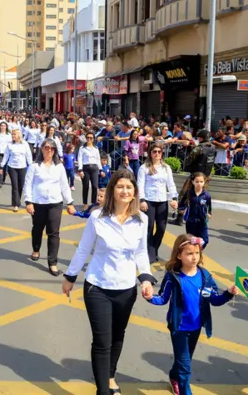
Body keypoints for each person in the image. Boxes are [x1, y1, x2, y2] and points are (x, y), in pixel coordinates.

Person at [62, 169, 156, 395]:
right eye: (120, 186)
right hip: (98, 287)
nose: (125, 191)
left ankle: (110, 375)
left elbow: (142, 252)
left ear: (135, 192)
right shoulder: (97, 217)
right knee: (102, 341)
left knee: (117, 336)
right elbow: (84, 249)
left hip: (126, 289)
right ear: (112, 190)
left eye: (129, 187)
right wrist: (70, 276)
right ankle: (103, 390)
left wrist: (145, 278)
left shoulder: (141, 220)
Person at [145, 234, 238, 395]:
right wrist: (149, 297)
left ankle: (174, 377)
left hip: (196, 327)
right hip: (178, 327)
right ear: (179, 255)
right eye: (189, 253)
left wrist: (228, 293)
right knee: (186, 367)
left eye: (197, 253)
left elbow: (214, 299)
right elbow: (162, 298)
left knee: (183, 361)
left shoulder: (205, 276)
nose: (194, 257)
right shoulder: (173, 276)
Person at [23, 138, 77, 276]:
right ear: (41, 149)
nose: (49, 150)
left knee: (54, 233)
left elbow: (64, 186)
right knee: (37, 228)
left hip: (55, 203)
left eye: (52, 148)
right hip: (38, 203)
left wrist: (70, 202)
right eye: (46, 147)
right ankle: (36, 249)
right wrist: (28, 202)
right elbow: (28, 184)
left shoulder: (59, 167)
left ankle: (52, 262)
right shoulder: (35, 166)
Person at [137, 143, 179, 264]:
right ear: (150, 153)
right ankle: (150, 253)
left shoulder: (166, 168)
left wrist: (174, 198)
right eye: (154, 151)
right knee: (149, 228)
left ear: (162, 154)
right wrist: (142, 200)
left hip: (162, 201)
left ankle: (154, 249)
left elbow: (171, 184)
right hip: (148, 201)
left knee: (161, 228)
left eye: (159, 152)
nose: (157, 154)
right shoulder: (144, 168)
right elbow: (140, 185)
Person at [0, 129, 34, 212]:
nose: (13, 136)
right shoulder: (10, 145)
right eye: (12, 135)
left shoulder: (25, 144)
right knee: (15, 186)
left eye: (14, 134)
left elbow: (28, 156)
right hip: (12, 167)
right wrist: (1, 166)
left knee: (21, 185)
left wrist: (32, 166)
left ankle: (17, 201)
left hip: (22, 167)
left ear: (19, 135)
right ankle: (16, 204)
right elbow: (6, 156)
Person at [183, 172, 212, 248]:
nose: (199, 184)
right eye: (197, 181)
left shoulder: (207, 196)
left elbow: (209, 208)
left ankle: (198, 252)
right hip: (190, 221)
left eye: (201, 182)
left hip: (202, 222)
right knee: (192, 241)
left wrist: (209, 214)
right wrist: (181, 210)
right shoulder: (189, 193)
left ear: (204, 182)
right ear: (193, 182)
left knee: (205, 240)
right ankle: (194, 256)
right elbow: (182, 203)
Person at [77, 132, 102, 208]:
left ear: (93, 139)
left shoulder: (96, 148)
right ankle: (85, 203)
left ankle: (93, 203)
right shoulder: (82, 148)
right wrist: (80, 170)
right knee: (86, 186)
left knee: (95, 186)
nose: (89, 139)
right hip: (85, 168)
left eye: (91, 138)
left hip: (94, 168)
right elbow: (80, 159)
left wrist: (101, 169)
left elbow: (98, 159)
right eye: (87, 137)